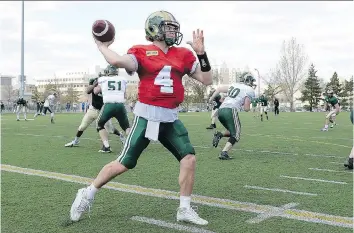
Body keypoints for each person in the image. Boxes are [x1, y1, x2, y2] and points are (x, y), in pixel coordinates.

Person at [69, 11, 212, 225]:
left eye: (174, 27)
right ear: (154, 29)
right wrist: (102, 46)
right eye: (168, 26)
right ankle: (87, 193)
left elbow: (207, 80)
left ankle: (184, 208)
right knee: (124, 163)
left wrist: (202, 54)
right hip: (146, 117)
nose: (173, 30)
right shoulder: (141, 51)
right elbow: (117, 61)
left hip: (171, 119)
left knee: (189, 158)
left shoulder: (183, 54)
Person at [65, 72, 126, 150]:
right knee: (82, 126)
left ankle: (119, 136)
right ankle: (75, 141)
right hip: (93, 109)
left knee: (110, 129)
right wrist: (95, 84)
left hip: (103, 110)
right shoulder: (95, 83)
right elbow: (88, 91)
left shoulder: (107, 85)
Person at [209, 73, 256, 160]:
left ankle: (219, 134)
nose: (252, 83)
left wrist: (211, 98)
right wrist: (249, 103)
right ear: (248, 80)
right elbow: (246, 108)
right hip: (230, 110)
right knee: (236, 134)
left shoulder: (234, 85)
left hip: (220, 110)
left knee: (231, 131)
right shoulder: (249, 90)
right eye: (252, 81)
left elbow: (219, 88)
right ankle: (224, 152)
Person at [93, 64, 131, 152]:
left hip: (109, 105)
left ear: (107, 72)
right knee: (126, 127)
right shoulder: (123, 80)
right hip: (120, 105)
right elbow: (125, 95)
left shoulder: (103, 79)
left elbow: (95, 91)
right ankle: (132, 145)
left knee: (99, 124)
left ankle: (106, 147)